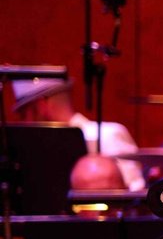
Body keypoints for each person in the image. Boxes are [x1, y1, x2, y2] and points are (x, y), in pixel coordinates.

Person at [10, 75, 143, 191]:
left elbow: (133, 192)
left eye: (23, 114)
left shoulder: (108, 135)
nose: (24, 121)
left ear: (41, 106)